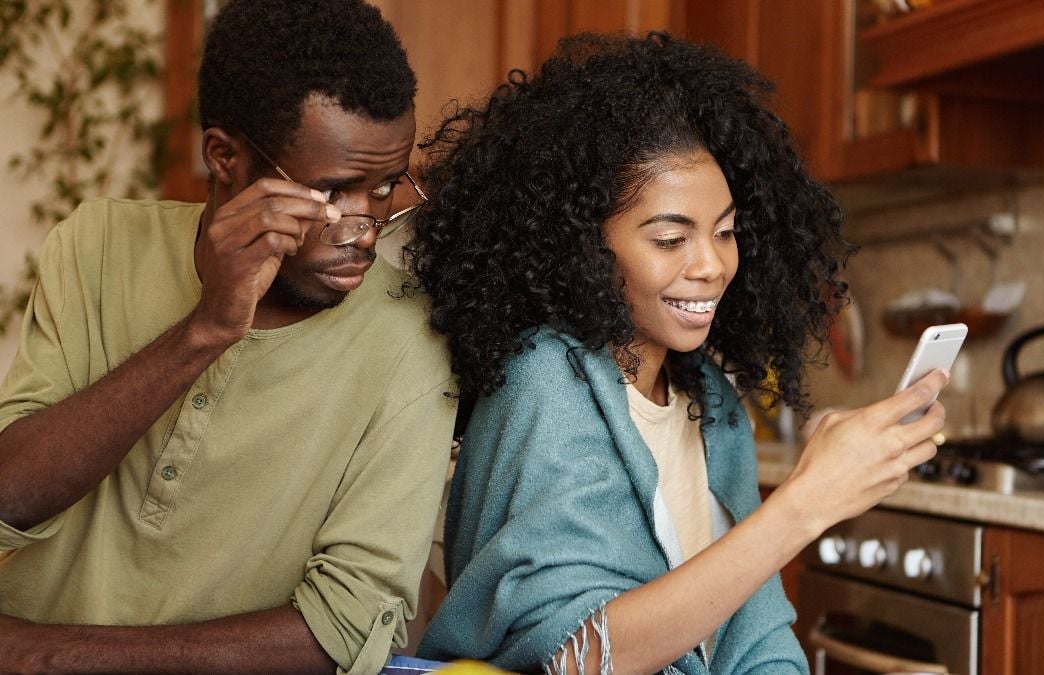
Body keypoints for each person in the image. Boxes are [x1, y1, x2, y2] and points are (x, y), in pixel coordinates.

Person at [408, 33, 949, 674]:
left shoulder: (711, 400)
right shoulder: (545, 379)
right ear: (582, 246)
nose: (712, 265)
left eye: (725, 233)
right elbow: (575, 659)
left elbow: (754, 627)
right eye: (670, 239)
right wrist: (807, 503)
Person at [0, 1, 456, 672]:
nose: (362, 230)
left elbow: (341, 627)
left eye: (386, 188)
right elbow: (11, 492)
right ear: (225, 156)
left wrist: (46, 653)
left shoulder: (410, 338)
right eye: (332, 192)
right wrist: (205, 329)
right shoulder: (98, 243)